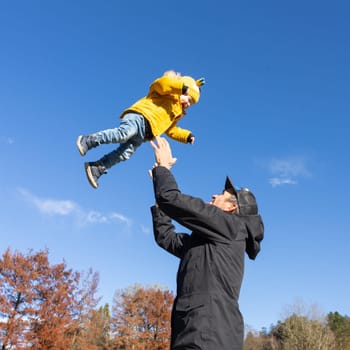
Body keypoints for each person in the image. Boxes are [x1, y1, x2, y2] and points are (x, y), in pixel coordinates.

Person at [149, 137, 264, 350]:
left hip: (208, 335)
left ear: (231, 208)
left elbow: (172, 198)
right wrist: (160, 198)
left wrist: (163, 169)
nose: (214, 194)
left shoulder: (231, 226)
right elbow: (166, 237)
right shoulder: (205, 240)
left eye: (222, 194)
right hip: (195, 332)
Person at [76, 70, 205, 189]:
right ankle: (89, 140)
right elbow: (160, 84)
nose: (187, 104)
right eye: (188, 99)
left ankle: (96, 168)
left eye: (191, 104)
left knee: (125, 153)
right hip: (139, 118)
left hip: (144, 135)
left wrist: (187, 136)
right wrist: (179, 87)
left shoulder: (177, 113)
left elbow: (171, 130)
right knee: (123, 134)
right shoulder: (167, 92)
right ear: (181, 89)